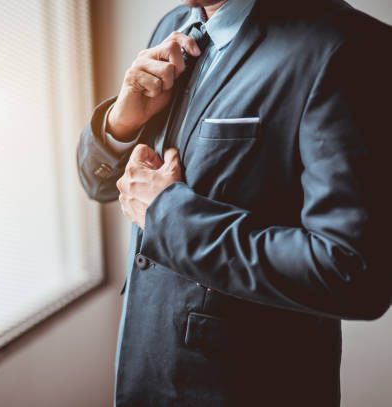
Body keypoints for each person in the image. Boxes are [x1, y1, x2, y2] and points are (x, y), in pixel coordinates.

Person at [76, 0, 392, 405]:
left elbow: (353, 274)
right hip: (144, 371)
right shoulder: (173, 26)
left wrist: (167, 216)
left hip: (250, 387)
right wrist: (122, 121)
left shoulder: (348, 47)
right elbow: (99, 185)